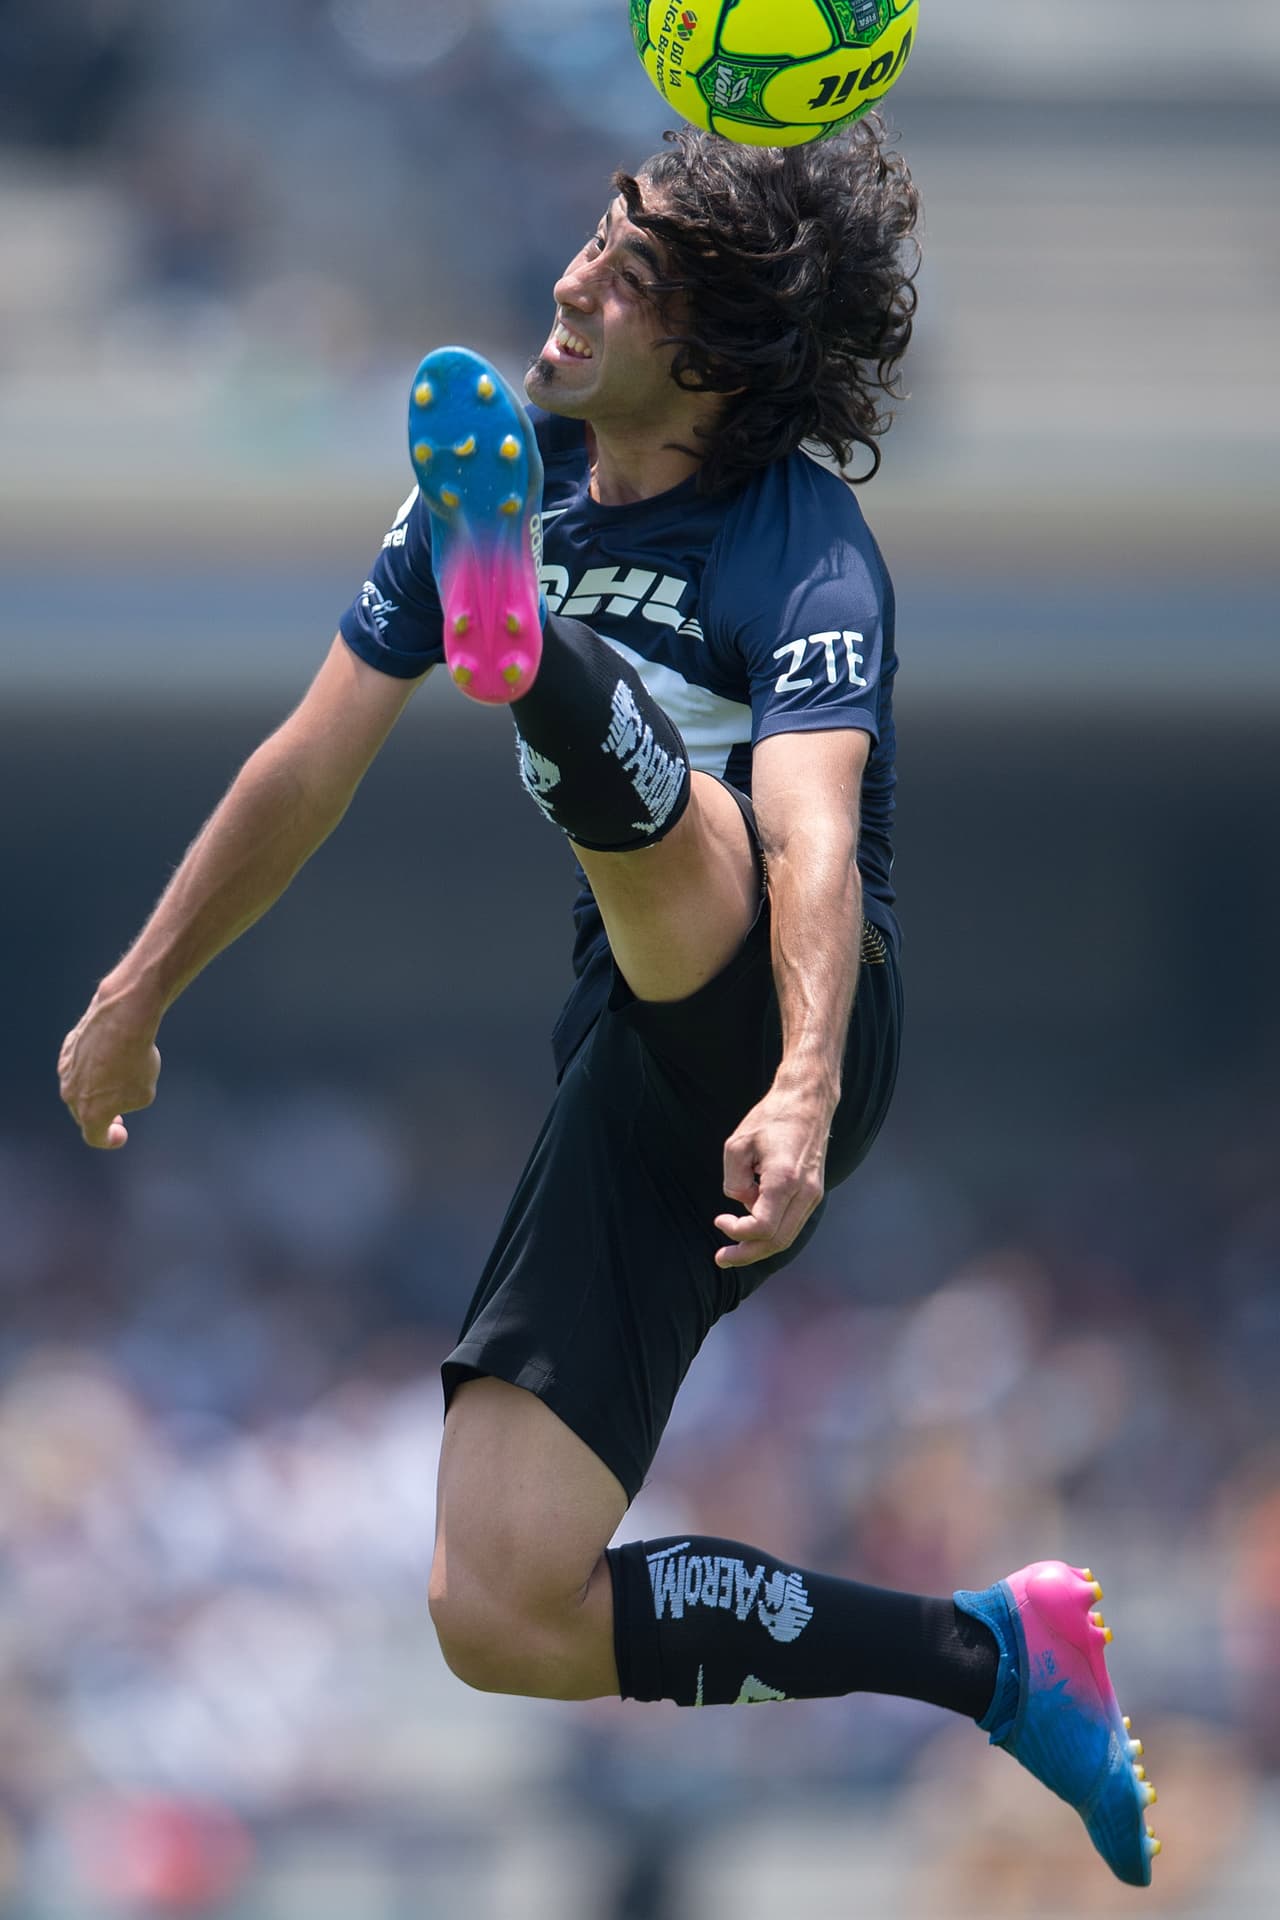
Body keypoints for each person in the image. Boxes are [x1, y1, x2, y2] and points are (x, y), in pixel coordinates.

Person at [59, 119, 1158, 1885]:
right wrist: (138, 989)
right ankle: (996, 1659)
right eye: (594, 238)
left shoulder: (798, 534)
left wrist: (800, 1088)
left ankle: (538, 668)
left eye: (629, 270)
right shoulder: (498, 476)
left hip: (796, 1014)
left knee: (677, 845)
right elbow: (304, 767)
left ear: (710, 356)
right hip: (631, 1067)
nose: (572, 277)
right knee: (496, 1611)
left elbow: (811, 846)